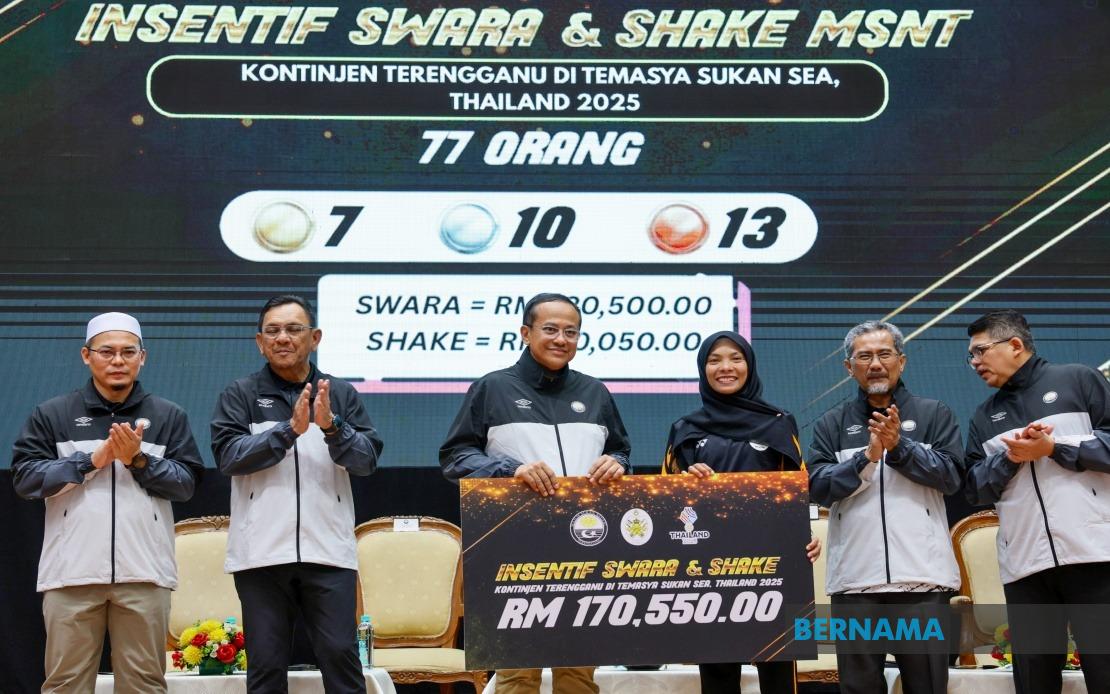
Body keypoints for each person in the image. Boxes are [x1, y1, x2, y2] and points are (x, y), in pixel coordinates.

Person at [440, 292, 631, 694]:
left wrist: (617, 463)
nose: (561, 339)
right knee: (517, 674)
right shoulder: (492, 388)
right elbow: (456, 457)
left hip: (587, 547)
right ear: (526, 333)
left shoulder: (595, 392)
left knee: (578, 673)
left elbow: (620, 451)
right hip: (514, 549)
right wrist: (511, 470)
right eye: (550, 329)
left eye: (571, 332)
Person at [12, 312, 203, 693]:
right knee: (65, 684)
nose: (118, 360)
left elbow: (185, 484)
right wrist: (90, 461)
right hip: (71, 572)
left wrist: (139, 460)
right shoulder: (53, 413)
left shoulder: (168, 415)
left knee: (144, 684)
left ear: (142, 357)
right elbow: (27, 479)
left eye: (128, 352)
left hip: (145, 573)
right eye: (107, 352)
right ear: (87, 355)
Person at [211, 295, 383, 694]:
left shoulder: (340, 394)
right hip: (261, 554)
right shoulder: (240, 394)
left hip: (328, 551)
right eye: (272, 331)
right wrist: (288, 430)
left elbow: (366, 460)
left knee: (341, 657)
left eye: (293, 329)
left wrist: (332, 426)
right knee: (266, 667)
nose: (283, 338)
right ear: (260, 342)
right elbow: (229, 457)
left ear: (315, 337)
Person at [807, 321, 962, 694]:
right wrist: (867, 458)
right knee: (858, 688)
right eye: (864, 356)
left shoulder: (934, 413)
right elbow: (818, 486)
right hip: (855, 583)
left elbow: (952, 477)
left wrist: (899, 447)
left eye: (884, 354)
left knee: (927, 686)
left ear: (901, 361)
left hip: (923, 580)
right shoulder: (831, 423)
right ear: (849, 367)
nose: (875, 364)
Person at [662, 331, 820, 694]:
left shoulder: (779, 422)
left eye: (735, 358)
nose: (726, 367)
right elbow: (667, 504)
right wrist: (686, 485)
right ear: (703, 369)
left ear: (749, 365)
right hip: (707, 568)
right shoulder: (684, 429)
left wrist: (805, 534)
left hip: (774, 565)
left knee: (778, 670)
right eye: (714, 360)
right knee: (718, 671)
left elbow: (796, 487)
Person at [963, 309, 1110, 694]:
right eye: (971, 355)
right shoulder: (984, 415)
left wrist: (1053, 447)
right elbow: (974, 488)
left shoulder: (1079, 379)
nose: (975, 362)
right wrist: (1010, 458)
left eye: (981, 351)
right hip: (1025, 565)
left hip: (1095, 555)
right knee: (1034, 678)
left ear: (1015, 345)